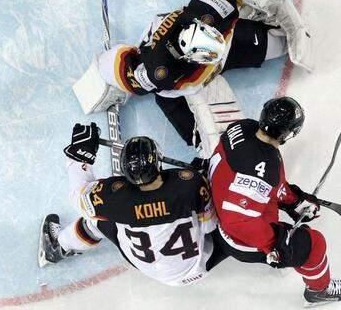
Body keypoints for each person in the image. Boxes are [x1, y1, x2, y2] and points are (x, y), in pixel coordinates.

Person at [73, 0, 313, 159]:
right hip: (175, 88)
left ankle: (230, 8)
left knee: (278, 44)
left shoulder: (212, 10)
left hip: (223, 48)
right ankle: (196, 139)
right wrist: (106, 79)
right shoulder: (158, 72)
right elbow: (115, 66)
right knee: (188, 122)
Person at [207, 97, 341, 305]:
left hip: (219, 198)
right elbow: (238, 222)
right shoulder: (265, 169)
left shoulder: (242, 126)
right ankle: (319, 291)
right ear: (287, 133)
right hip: (235, 237)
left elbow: (271, 185)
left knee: (265, 208)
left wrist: (295, 201)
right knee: (315, 244)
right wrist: (275, 245)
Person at [38, 123, 219, 286]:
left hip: (151, 270)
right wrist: (206, 176)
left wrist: (79, 156)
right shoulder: (190, 184)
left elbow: (78, 195)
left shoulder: (113, 198)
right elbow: (209, 226)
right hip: (198, 265)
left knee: (94, 220)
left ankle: (59, 246)